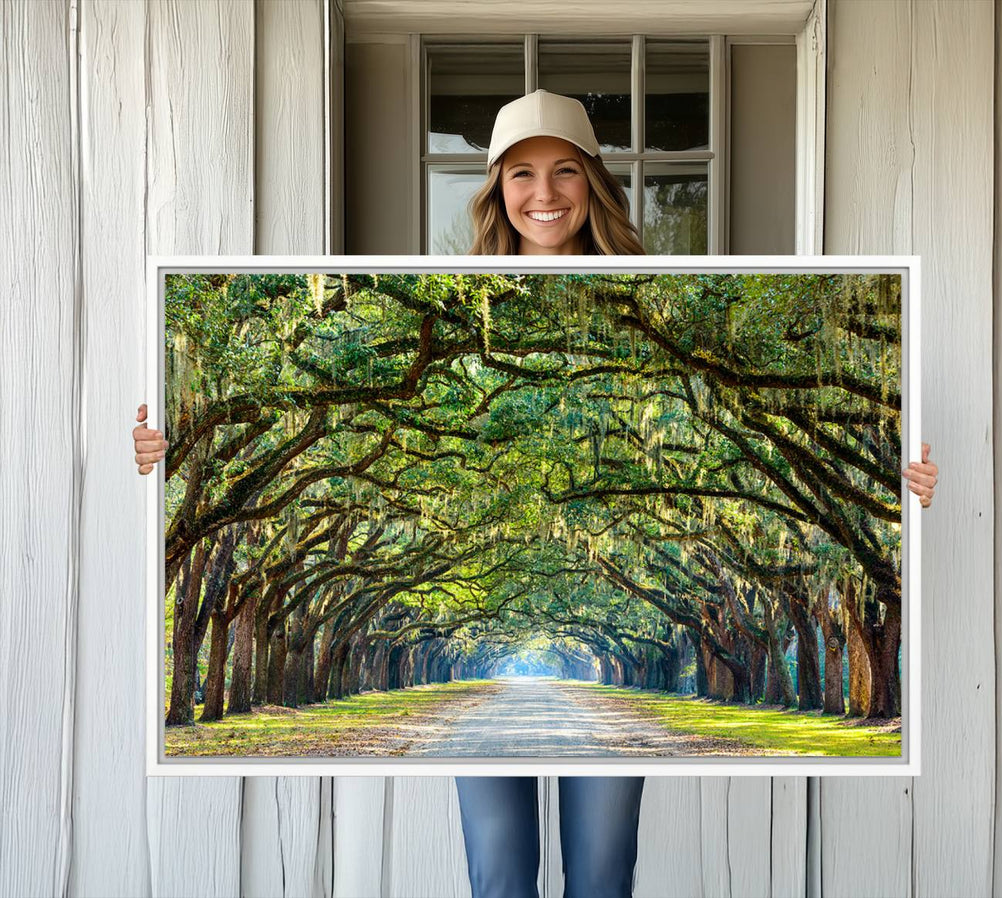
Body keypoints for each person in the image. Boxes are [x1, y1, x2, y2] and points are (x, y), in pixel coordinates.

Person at [131, 89, 940, 898]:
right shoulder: (440, 306)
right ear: (496, 190)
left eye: (564, 172)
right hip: (494, 700)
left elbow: (772, 441)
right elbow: (300, 421)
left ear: (593, 182)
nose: (544, 193)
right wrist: (163, 452)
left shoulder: (665, 306)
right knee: (500, 877)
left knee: (600, 877)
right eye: (521, 174)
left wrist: (897, 497)